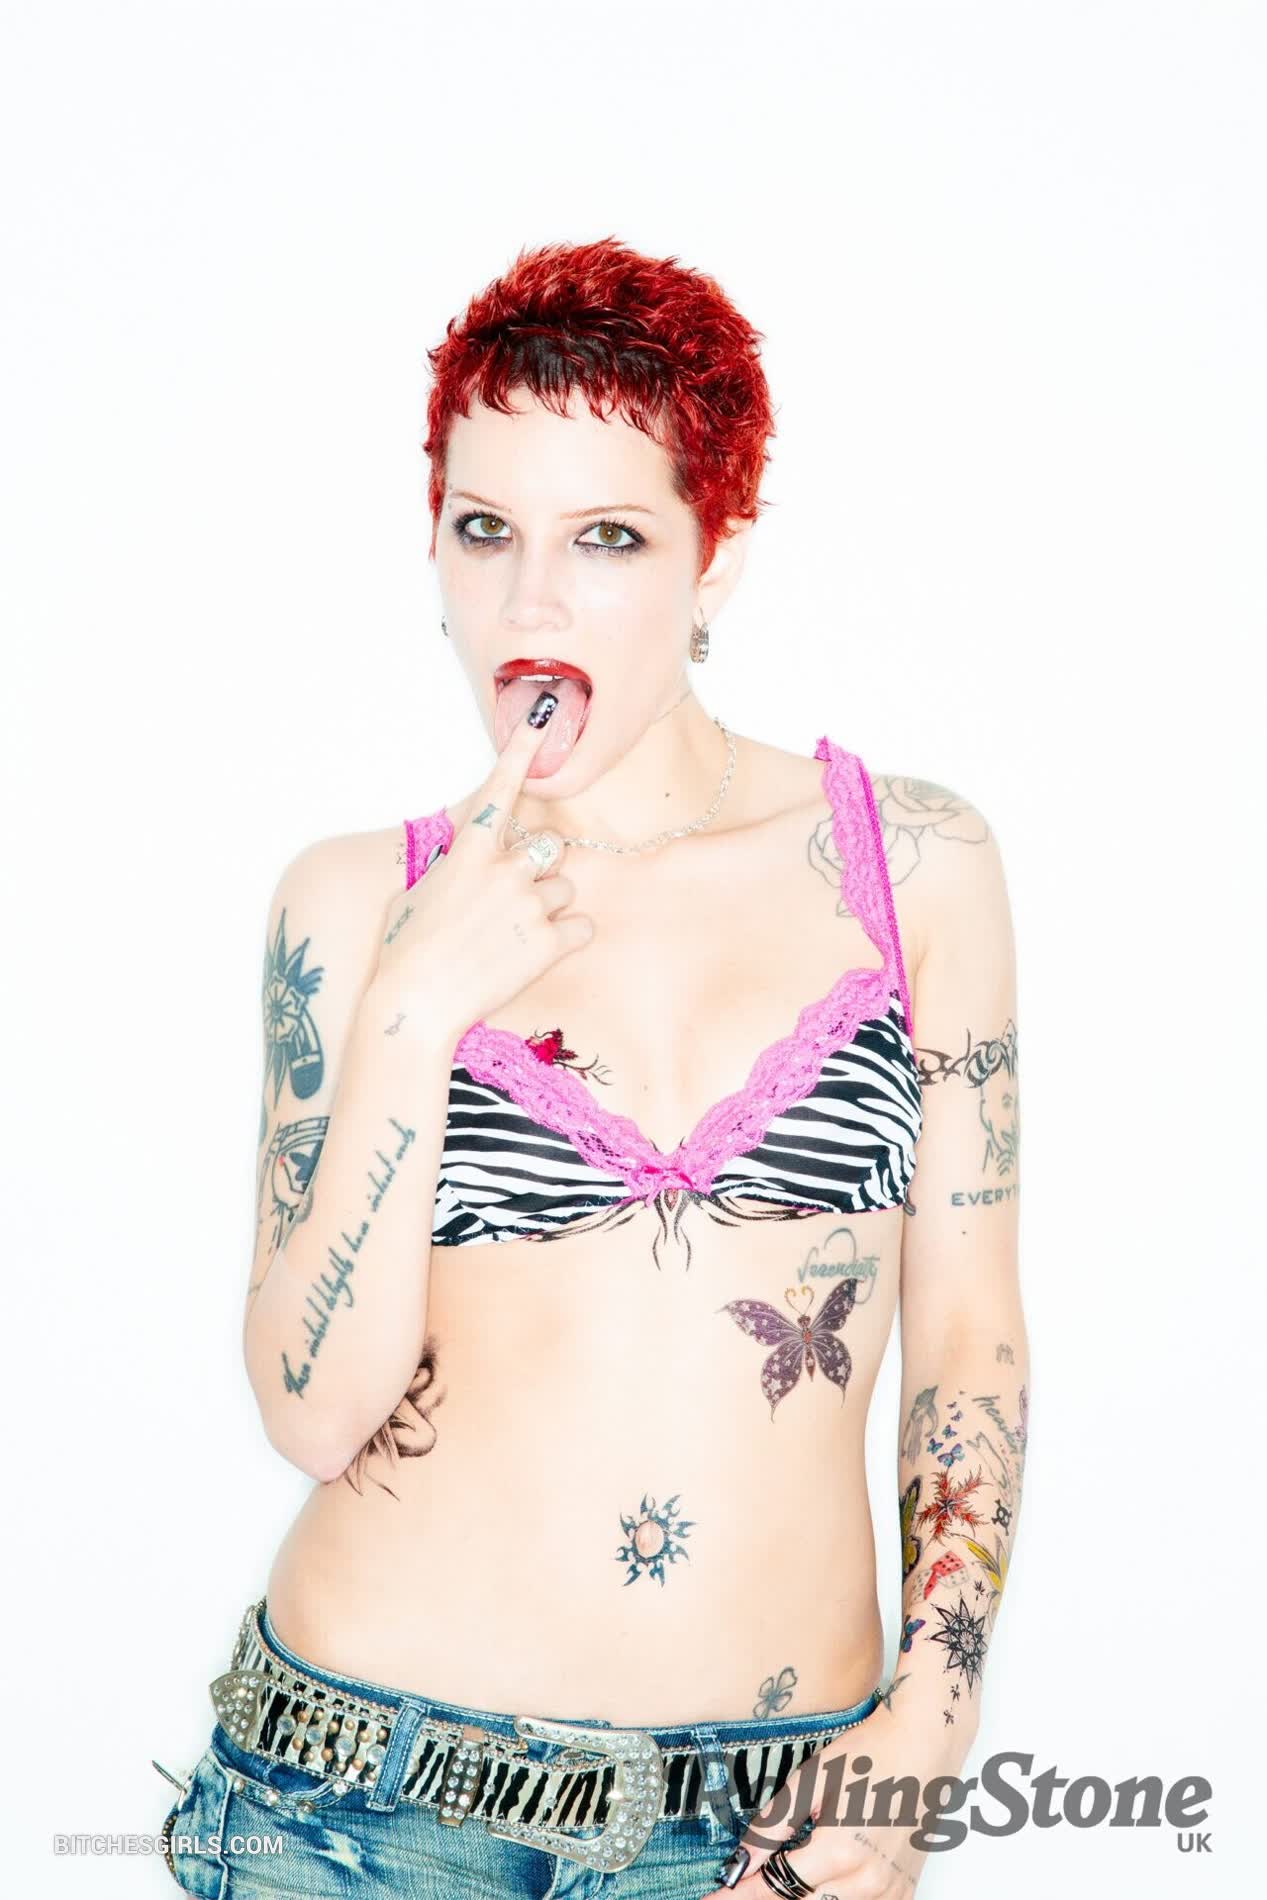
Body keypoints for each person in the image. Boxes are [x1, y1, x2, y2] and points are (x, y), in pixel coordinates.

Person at [157, 235, 1027, 1900]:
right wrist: (411, 1010)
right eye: (485, 530)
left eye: (608, 538)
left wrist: (932, 1720)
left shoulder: (914, 864)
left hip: (774, 1814)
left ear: (718, 561)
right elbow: (311, 1408)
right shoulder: (355, 902)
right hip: (363, 1811)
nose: (532, 604)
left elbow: (970, 1329)